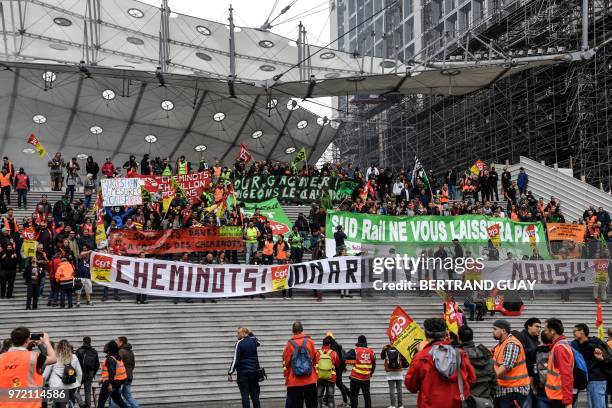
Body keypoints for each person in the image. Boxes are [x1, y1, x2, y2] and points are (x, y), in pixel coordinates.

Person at [404, 318, 476, 408]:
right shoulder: (460, 353)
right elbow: (472, 379)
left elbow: (411, 386)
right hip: (457, 404)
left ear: (425, 334)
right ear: (445, 333)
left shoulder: (420, 357)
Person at [0, 328, 57, 406]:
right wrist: (46, 341)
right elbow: (53, 359)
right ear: (27, 340)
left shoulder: (1, 358)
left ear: (12, 340)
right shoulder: (34, 357)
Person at [492, 319, 531, 408]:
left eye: (495, 329)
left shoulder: (511, 344)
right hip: (504, 390)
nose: (492, 332)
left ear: (503, 331)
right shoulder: (501, 344)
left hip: (514, 391)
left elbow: (506, 366)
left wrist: (491, 378)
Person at [571, 323, 610, 408]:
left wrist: (601, 358)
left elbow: (607, 359)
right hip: (590, 381)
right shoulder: (578, 345)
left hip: (597, 381)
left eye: (575, 331)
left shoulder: (594, 345)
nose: (573, 333)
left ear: (582, 332)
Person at [282, 321, 318, 408]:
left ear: (293, 330)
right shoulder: (309, 341)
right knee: (312, 403)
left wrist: (286, 376)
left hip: (295, 380)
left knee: (297, 404)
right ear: (302, 329)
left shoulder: (290, 344)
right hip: (310, 378)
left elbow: (286, 361)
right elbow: (314, 357)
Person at [457, 325, 496, 400]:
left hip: (466, 398)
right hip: (485, 398)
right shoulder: (485, 354)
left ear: (458, 337)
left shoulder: (458, 355)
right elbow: (494, 379)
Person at [542, 318, 575, 408]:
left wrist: (568, 402)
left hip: (560, 399)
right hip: (558, 397)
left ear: (552, 331)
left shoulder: (559, 348)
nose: (544, 332)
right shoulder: (559, 345)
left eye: (545, 330)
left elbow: (566, 375)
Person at [228, 327, 261, 408]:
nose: (237, 335)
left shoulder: (239, 344)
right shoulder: (253, 341)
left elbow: (235, 359)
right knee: (255, 395)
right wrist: (251, 333)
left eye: (238, 333)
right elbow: (258, 342)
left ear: (244, 333)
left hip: (243, 375)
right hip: (254, 373)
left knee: (245, 396)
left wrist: (230, 372)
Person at [43, 339, 82, 408]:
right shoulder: (74, 357)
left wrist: (41, 384)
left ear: (58, 348)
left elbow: (45, 374)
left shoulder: (53, 357)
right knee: (70, 404)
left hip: (57, 386)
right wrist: (77, 386)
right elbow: (79, 373)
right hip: (71, 386)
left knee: (59, 405)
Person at [513, 317, 542, 406]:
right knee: (526, 403)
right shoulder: (521, 336)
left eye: (540, 327)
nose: (539, 329)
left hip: (533, 376)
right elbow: (521, 353)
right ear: (529, 326)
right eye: (537, 326)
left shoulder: (535, 338)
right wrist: (538, 348)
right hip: (523, 378)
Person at [344, 335, 376, 408]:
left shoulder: (355, 350)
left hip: (355, 378)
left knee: (354, 396)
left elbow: (345, 357)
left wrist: (353, 362)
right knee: (367, 396)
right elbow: (373, 365)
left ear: (358, 342)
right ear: (366, 342)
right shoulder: (371, 352)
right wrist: (370, 374)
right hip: (366, 378)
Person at [98, 340, 128, 408]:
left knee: (101, 403)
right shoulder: (116, 357)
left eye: (106, 346)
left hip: (109, 383)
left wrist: (110, 384)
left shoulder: (110, 359)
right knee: (120, 401)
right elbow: (108, 372)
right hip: (117, 382)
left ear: (109, 349)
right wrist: (102, 379)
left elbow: (112, 372)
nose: (104, 347)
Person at [114, 336, 139, 408]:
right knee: (127, 395)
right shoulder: (131, 352)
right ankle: (135, 406)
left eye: (117, 341)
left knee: (115, 395)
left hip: (121, 377)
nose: (116, 343)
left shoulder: (121, 351)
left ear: (121, 342)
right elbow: (133, 365)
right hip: (129, 376)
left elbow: (117, 364)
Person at [315, 336, 340, 408]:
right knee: (330, 398)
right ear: (329, 345)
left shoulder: (317, 353)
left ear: (322, 344)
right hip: (331, 378)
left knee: (319, 397)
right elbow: (338, 364)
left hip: (320, 378)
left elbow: (314, 364)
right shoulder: (334, 353)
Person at [76, 336, 99, 408]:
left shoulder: (79, 351)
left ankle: (81, 404)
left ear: (83, 341)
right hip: (90, 373)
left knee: (76, 390)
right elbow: (97, 364)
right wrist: (93, 373)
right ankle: (88, 406)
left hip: (80, 373)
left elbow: (75, 363)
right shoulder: (94, 351)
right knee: (88, 391)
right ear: (90, 342)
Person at [381, 343, 405, 408]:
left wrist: (383, 350)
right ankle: (400, 405)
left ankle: (393, 405)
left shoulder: (386, 348)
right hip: (398, 371)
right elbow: (403, 358)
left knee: (392, 389)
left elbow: (382, 357)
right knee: (399, 389)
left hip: (389, 371)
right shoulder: (400, 347)